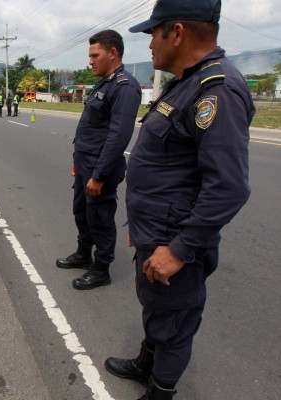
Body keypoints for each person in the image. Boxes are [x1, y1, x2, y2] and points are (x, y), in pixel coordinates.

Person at [104, 1, 254, 399]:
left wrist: (179, 248)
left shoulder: (216, 90)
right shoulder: (186, 82)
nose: (150, 43)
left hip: (176, 243)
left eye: (154, 32)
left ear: (178, 32)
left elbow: (229, 187)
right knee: (158, 311)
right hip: (157, 233)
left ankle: (160, 391)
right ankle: (145, 363)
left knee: (174, 324)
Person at [56, 30, 141, 291]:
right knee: (82, 213)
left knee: (100, 219)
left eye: (95, 55)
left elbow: (117, 137)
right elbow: (90, 129)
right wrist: (77, 161)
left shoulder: (124, 87)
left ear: (112, 53)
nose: (90, 61)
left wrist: (99, 175)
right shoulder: (104, 83)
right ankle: (84, 254)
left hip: (99, 169)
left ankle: (102, 268)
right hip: (85, 165)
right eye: (90, 56)